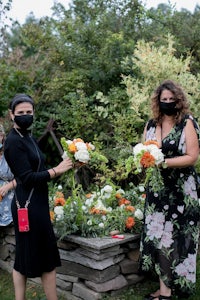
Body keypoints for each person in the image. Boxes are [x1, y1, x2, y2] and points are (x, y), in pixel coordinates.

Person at [4, 93, 73, 300]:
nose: (25, 116)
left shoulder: (29, 137)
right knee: (37, 257)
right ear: (11, 115)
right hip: (28, 206)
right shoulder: (12, 142)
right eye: (21, 113)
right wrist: (57, 171)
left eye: (29, 112)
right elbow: (28, 177)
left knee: (40, 256)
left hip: (37, 204)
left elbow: (33, 170)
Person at [138, 80, 200, 300]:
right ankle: (165, 288)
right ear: (157, 101)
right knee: (158, 237)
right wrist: (144, 160)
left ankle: (167, 291)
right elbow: (144, 152)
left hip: (183, 190)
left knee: (177, 238)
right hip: (158, 190)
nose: (167, 103)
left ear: (178, 100)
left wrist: (163, 162)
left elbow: (192, 157)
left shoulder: (187, 123)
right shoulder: (151, 124)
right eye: (163, 100)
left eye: (171, 100)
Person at [0, 124, 16, 226]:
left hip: (9, 195)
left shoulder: (11, 152)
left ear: (1, 136)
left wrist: (7, 186)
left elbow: (23, 177)